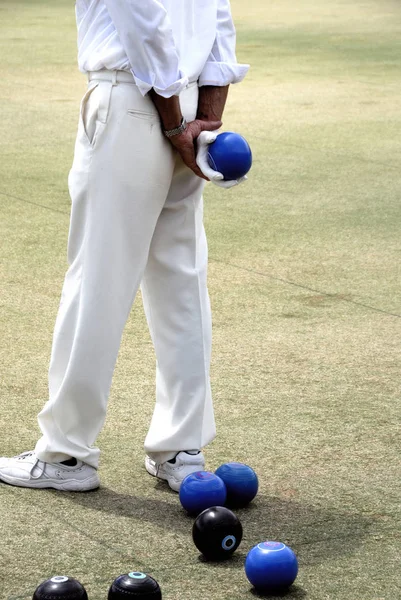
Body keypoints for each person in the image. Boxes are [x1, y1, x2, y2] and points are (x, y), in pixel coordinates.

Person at [0, 0, 249, 493]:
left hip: (135, 102)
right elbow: (218, 22)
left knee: (98, 279)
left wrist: (175, 121)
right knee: (180, 280)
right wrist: (205, 117)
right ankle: (182, 448)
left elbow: (143, 21)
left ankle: (66, 453)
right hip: (190, 106)